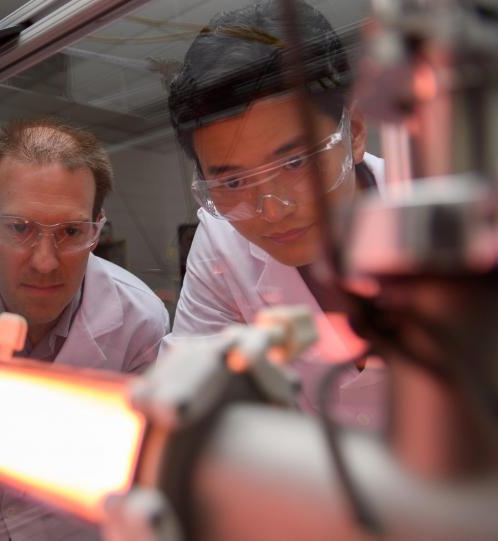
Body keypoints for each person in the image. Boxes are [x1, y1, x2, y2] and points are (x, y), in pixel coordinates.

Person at [0, 118, 170, 540]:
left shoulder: (139, 320)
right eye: (19, 228)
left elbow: (143, 469)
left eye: (71, 231)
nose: (45, 262)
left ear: (96, 231)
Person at [165, 0, 387, 426]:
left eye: (295, 162)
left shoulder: (449, 217)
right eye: (233, 183)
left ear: (354, 131)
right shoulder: (221, 240)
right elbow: (193, 409)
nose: (271, 210)